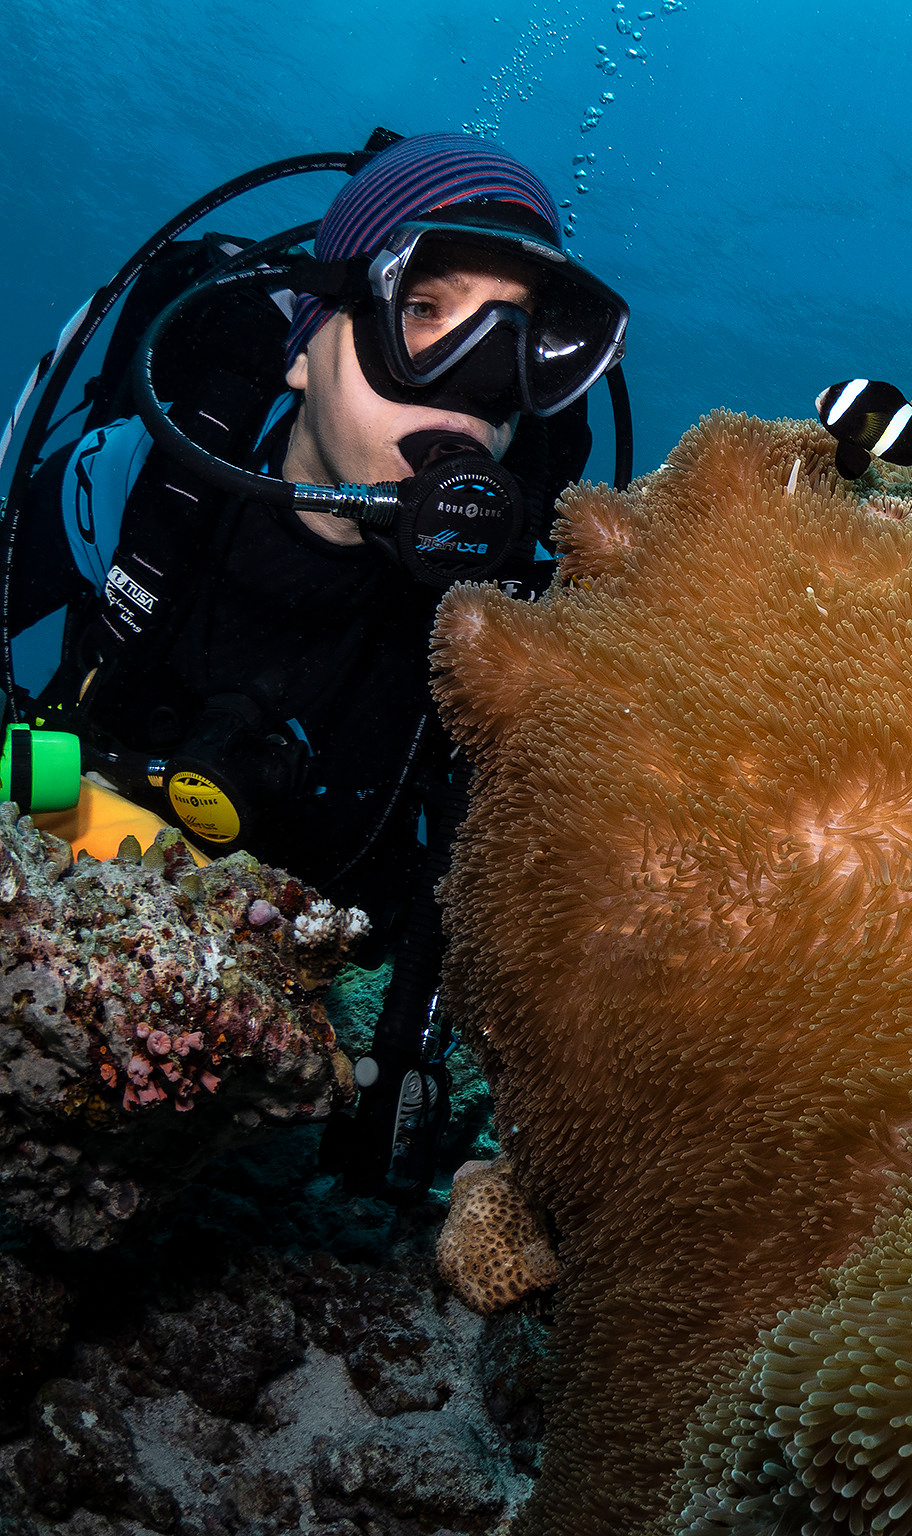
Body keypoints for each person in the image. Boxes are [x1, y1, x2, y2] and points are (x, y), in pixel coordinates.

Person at [0, 130, 632, 1198]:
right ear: (304, 342)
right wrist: (70, 821)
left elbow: (475, 888)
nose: (469, 390)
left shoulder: (508, 619)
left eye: (515, 344)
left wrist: (403, 1050)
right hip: (76, 847)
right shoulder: (137, 484)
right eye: (424, 312)